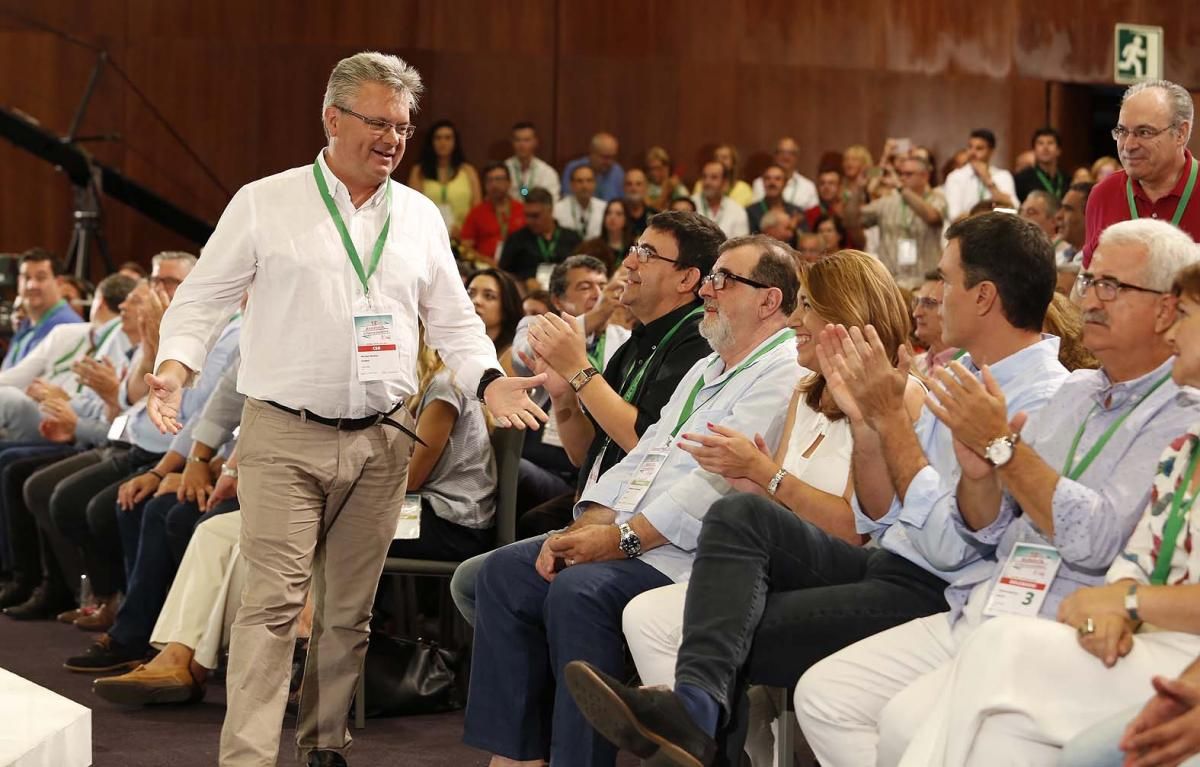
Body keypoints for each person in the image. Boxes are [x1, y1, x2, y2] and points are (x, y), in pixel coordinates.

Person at [142, 52, 545, 767]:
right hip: (284, 432)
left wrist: (487, 380)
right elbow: (201, 300)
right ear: (333, 119)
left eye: (403, 126)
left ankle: (325, 744)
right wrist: (174, 367)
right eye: (379, 122)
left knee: (347, 613)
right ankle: (248, 757)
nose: (394, 137)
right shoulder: (265, 202)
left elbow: (453, 320)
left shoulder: (418, 216)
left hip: (386, 438)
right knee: (271, 608)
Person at [562, 212, 1069, 766]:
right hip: (893, 563)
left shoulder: (1044, 397)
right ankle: (695, 715)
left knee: (710, 636)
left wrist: (878, 424)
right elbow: (879, 514)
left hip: (944, 588)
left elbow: (931, 544)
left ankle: (697, 717)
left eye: (945, 282)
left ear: (985, 296)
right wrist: (867, 427)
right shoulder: (956, 375)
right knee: (737, 521)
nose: (930, 298)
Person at [801, 218, 1200, 767]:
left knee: (939, 714)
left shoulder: (1178, 413)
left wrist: (1001, 448)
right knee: (850, 706)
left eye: (1112, 286)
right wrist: (980, 475)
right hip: (996, 600)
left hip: (1062, 622)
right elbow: (990, 528)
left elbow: (1096, 540)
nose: (1088, 299)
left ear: (1165, 309)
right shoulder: (1077, 390)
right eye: (1087, 280)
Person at [463, 234, 803, 767]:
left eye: (723, 279)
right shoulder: (709, 366)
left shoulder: (783, 374)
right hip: (637, 535)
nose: (709, 291)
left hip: (692, 556)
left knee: (579, 590)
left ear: (768, 300)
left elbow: (711, 487)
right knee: (506, 573)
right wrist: (590, 523)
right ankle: (520, 758)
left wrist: (619, 539)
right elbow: (646, 455)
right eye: (709, 277)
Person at [614, 250, 926, 763]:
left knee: (734, 534)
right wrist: (744, 475)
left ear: (845, 313)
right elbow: (774, 509)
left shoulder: (901, 396)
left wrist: (765, 476)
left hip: (861, 572)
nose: (797, 322)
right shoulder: (805, 392)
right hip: (793, 564)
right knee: (646, 613)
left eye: (808, 307)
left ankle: (699, 715)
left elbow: (857, 530)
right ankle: (714, 741)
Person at [451, 211, 724, 622]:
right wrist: (563, 400)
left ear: (687, 278)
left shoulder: (697, 344)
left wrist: (580, 369)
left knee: (489, 579)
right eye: (634, 249)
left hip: (637, 528)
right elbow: (586, 457)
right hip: (597, 508)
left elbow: (642, 442)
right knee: (479, 581)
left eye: (646, 254)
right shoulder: (638, 340)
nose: (628, 263)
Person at [0, 273, 135, 442]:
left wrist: (69, 406)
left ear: (98, 302)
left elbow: (120, 432)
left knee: (11, 401)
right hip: (64, 419)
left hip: (75, 429)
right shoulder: (66, 332)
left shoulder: (130, 351)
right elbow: (18, 375)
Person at [1084, 79, 1198, 267]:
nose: (1128, 145)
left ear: (1181, 133)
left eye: (1144, 132)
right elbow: (1088, 277)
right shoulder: (1103, 194)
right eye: (1122, 131)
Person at [844, 154, 947, 285]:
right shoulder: (888, 201)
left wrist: (900, 188)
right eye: (900, 174)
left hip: (926, 282)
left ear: (925, 176)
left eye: (908, 174)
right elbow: (851, 220)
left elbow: (932, 216)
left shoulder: (937, 198)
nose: (902, 178)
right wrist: (858, 188)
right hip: (892, 283)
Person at [2, 249, 83, 370]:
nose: (31, 285)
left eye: (41, 278)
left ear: (59, 282)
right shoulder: (26, 324)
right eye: (26, 277)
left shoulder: (68, 326)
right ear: (19, 281)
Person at [407, 118, 481, 237]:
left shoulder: (468, 171)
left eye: (448, 138)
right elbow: (413, 208)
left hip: (464, 237)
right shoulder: (419, 171)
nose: (443, 143)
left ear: (455, 142)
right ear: (431, 142)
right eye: (438, 138)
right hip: (428, 234)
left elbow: (477, 208)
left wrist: (466, 231)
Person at [501, 187, 583, 291]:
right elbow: (504, 274)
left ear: (550, 211)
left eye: (535, 216)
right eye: (527, 215)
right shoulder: (516, 239)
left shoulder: (572, 238)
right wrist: (523, 281)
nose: (529, 221)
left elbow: (583, 271)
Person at [943, 128, 1017, 222]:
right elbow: (954, 216)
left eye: (979, 148)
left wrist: (987, 180)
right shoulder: (955, 177)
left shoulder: (1003, 176)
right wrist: (989, 215)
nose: (972, 152)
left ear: (991, 151)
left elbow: (1012, 208)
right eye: (970, 147)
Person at [460, 162, 525, 265]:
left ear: (509, 182)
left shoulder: (522, 210)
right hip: (484, 267)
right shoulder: (476, 213)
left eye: (499, 179)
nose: (494, 185)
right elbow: (465, 247)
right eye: (489, 180)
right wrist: (485, 260)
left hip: (518, 267)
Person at [466, 269, 523, 375]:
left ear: (506, 305)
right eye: (470, 293)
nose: (476, 301)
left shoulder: (513, 357)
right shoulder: (453, 345)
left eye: (489, 296)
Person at [911, 271, 959, 375]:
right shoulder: (914, 365)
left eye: (929, 303)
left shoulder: (973, 368)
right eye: (916, 302)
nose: (916, 313)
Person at [751, 138, 818, 210]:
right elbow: (755, 211)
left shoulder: (808, 186)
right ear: (775, 156)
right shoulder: (759, 183)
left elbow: (814, 218)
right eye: (781, 152)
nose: (786, 157)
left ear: (797, 157)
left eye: (790, 153)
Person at [562, 132, 625, 202]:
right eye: (605, 157)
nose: (609, 162)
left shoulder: (617, 171)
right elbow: (567, 199)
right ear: (592, 153)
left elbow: (622, 202)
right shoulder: (574, 168)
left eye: (612, 157)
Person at [506, 121, 560, 202]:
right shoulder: (504, 169)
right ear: (512, 143)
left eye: (526, 140)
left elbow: (552, 203)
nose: (522, 145)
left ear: (535, 142)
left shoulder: (547, 172)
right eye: (518, 140)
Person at [694, 161, 750, 238]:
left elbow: (741, 245)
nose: (707, 182)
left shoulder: (737, 210)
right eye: (704, 177)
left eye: (714, 177)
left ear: (725, 183)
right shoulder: (691, 205)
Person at [575, 199, 633, 271]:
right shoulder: (591, 247)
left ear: (626, 220)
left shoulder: (633, 249)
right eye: (609, 213)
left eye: (619, 214)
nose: (612, 217)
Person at [1014, 127, 1069, 203]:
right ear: (1034, 150)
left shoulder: (1067, 179)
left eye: (1050, 143)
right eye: (1040, 143)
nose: (1045, 148)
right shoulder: (1022, 179)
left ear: (1058, 150)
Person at [746, 164, 802, 238]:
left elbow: (804, 242)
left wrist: (792, 229)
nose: (772, 182)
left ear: (785, 183)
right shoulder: (750, 212)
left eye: (777, 179)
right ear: (763, 182)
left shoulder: (795, 212)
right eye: (767, 178)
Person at [554, 164, 607, 240]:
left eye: (589, 180)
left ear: (595, 184)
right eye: (579, 181)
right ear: (571, 185)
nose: (585, 186)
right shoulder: (558, 209)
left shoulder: (604, 208)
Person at [1056, 181, 1093, 264]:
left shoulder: (1100, 263)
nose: (1058, 215)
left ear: (1090, 216)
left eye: (1068, 209)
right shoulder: (1057, 258)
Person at [645, 146, 687, 210]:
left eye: (657, 168)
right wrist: (666, 191)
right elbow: (651, 208)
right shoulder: (645, 186)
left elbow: (687, 209)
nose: (653, 173)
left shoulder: (677, 187)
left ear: (666, 168)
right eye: (651, 169)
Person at [623, 169, 658, 236]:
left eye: (638, 184)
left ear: (646, 187)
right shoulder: (617, 215)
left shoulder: (655, 218)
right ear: (624, 187)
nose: (634, 188)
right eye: (629, 184)